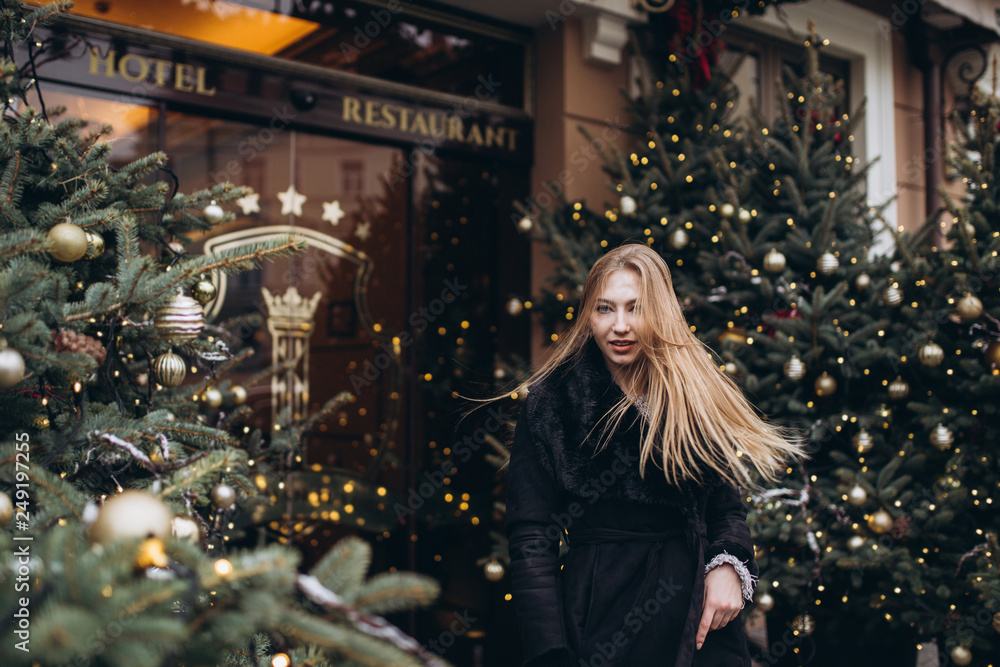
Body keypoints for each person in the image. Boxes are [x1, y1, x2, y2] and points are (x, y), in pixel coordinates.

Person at [503, 243, 803, 667]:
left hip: (698, 623)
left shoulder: (693, 394)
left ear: (660, 312)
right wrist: (550, 653)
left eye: (636, 308)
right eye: (605, 309)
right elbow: (532, 538)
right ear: (588, 314)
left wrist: (729, 566)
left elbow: (726, 511)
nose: (620, 326)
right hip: (600, 623)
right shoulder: (554, 403)